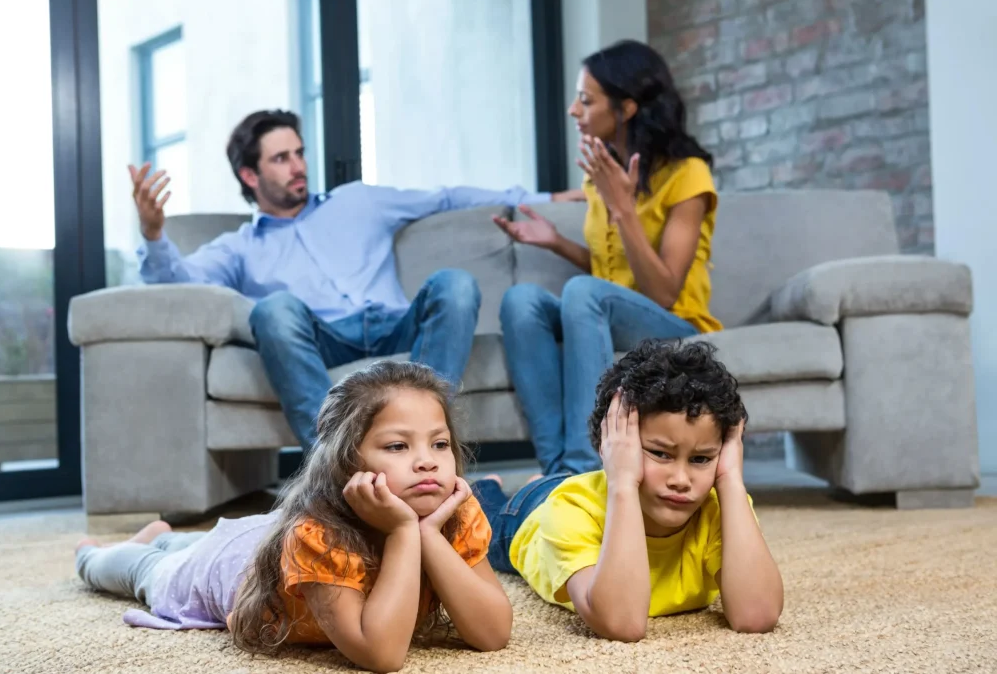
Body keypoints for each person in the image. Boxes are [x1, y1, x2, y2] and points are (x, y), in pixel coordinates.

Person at [130, 109, 583, 450]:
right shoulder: (240, 246)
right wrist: (153, 234)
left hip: (392, 326)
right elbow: (177, 282)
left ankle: (426, 438)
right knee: (273, 309)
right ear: (250, 175)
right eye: (282, 158)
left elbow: (447, 197)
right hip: (325, 340)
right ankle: (332, 462)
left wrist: (545, 199)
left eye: (300, 153)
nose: (298, 166)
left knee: (456, 285)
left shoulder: (358, 201)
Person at [74, 361, 512, 674]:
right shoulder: (318, 535)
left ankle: (167, 537)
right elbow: (383, 655)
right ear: (345, 461)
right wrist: (402, 529)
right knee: (147, 569)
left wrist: (427, 534)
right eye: (398, 446)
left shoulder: (451, 513)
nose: (427, 462)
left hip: (262, 536)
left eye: (439, 444)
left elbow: (493, 634)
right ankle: (103, 552)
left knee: (191, 542)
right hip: (223, 566)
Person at [493, 40, 722, 476]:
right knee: (521, 300)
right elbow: (609, 277)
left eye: (586, 99)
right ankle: (558, 473)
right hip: (618, 311)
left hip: (677, 324)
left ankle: (586, 468)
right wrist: (557, 242)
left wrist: (624, 209)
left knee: (581, 292)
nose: (573, 110)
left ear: (627, 107)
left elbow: (664, 291)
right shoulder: (600, 174)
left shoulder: (687, 174)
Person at [470, 339, 784, 641]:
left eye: (701, 459)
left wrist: (730, 480)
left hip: (595, 485)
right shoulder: (567, 512)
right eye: (661, 453)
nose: (680, 479)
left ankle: (545, 477)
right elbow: (622, 623)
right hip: (530, 513)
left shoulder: (723, 508)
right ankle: (493, 484)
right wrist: (622, 484)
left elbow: (756, 615)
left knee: (566, 481)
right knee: (481, 515)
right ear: (612, 447)